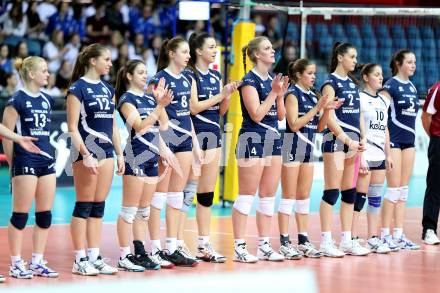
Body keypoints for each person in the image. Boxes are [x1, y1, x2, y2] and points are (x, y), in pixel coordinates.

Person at [177, 32, 239, 263]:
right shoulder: (189, 75)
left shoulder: (216, 75)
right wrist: (220, 95)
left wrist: (227, 97)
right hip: (193, 137)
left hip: (213, 135)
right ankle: (177, 242)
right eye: (211, 47)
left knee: (206, 195)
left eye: (216, 47)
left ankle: (204, 244)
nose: (215, 50)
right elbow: (193, 108)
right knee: (186, 193)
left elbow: (220, 112)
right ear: (198, 51)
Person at [67, 43, 124, 276]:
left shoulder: (108, 89)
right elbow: (72, 127)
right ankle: (79, 259)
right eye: (107, 59)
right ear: (93, 61)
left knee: (98, 208)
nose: (110, 63)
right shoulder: (77, 88)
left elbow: (112, 125)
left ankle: (94, 256)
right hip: (85, 154)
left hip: (106, 153)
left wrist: (120, 154)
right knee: (83, 205)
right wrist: (86, 155)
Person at [233, 36, 288, 263]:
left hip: (273, 139)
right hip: (252, 139)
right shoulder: (249, 81)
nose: (272, 50)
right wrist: (275, 93)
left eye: (272, 47)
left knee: (267, 196)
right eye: (267, 48)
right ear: (257, 54)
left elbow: (281, 116)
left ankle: (264, 244)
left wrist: (280, 95)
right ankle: (239, 247)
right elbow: (256, 114)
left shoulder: (272, 80)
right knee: (247, 195)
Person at [2, 56, 58, 279]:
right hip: (25, 160)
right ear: (31, 74)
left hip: (47, 159)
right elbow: (6, 134)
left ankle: (37, 261)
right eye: (43, 71)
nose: (48, 74)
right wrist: (13, 162)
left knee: (45, 215)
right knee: (20, 216)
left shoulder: (47, 99)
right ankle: (16, 263)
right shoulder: (16, 99)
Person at [147, 36, 201, 267]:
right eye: (184, 51)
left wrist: (196, 143)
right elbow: (157, 111)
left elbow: (187, 114)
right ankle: (155, 249)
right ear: (171, 53)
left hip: (185, 140)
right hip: (166, 138)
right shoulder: (159, 79)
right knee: (158, 195)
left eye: (189, 52)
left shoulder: (188, 78)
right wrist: (163, 142)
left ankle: (172, 247)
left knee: (176, 195)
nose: (188, 56)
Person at [279, 58, 339, 259]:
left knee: (304, 195)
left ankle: (303, 240)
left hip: (308, 147)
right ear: (298, 75)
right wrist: (317, 108)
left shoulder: (314, 97)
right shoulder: (292, 95)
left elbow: (320, 127)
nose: (314, 77)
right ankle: (284, 241)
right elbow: (294, 124)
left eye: (314, 73)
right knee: (288, 196)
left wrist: (328, 109)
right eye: (310, 73)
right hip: (292, 145)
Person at [115, 59, 172, 271]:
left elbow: (163, 125)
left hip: (151, 157)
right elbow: (139, 126)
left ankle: (140, 252)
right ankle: (124, 255)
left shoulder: (149, 98)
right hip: (135, 155)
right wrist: (158, 106)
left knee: (144, 210)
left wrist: (160, 103)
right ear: (129, 76)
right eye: (140, 72)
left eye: (145, 72)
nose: (144, 75)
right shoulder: (126, 99)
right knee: (129, 210)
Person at [319, 42, 370, 257]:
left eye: (356, 57)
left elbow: (357, 114)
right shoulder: (330, 84)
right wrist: (347, 140)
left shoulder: (352, 84)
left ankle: (347, 240)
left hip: (353, 144)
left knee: (349, 192)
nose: (355, 61)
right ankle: (325, 241)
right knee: (332, 191)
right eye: (352, 56)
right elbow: (328, 117)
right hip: (336, 141)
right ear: (340, 57)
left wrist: (361, 138)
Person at [379, 49, 420, 250]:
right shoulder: (389, 86)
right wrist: (385, 148)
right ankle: (385, 235)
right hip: (393, 141)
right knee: (393, 190)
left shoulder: (412, 87)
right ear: (398, 63)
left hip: (409, 143)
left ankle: (399, 235)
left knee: (403, 191)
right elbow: (382, 116)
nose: (413, 65)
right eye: (410, 62)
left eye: (414, 62)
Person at [351, 64, 393, 253]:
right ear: (366, 78)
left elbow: (384, 129)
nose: (381, 77)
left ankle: (373, 237)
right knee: (359, 198)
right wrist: (361, 156)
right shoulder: (360, 98)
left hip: (379, 155)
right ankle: (351, 237)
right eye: (377, 74)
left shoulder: (384, 101)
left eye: (382, 74)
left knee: (375, 198)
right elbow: (358, 129)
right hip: (365, 153)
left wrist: (389, 154)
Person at [421, 80, 440, 245]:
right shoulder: (437, 89)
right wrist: (434, 136)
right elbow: (426, 116)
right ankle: (429, 229)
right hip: (439, 142)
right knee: (435, 186)